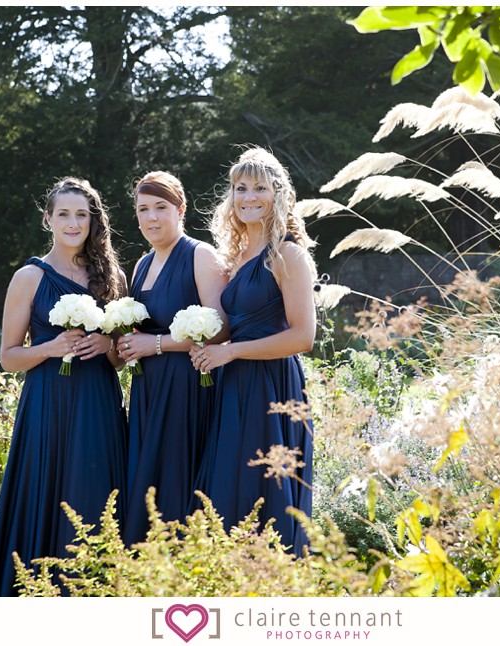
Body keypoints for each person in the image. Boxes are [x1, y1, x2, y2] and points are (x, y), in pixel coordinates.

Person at [0, 176, 128, 596]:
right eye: (64, 214)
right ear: (48, 219)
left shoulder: (110, 276)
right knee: (46, 493)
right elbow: (9, 357)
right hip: (48, 404)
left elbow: (119, 357)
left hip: (97, 401)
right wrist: (50, 348)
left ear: (93, 220)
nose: (73, 223)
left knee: (95, 493)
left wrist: (107, 345)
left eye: (82, 215)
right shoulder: (29, 276)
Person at [191, 147, 316, 555]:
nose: (248, 196)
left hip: (272, 387)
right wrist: (206, 344)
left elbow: (302, 338)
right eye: (240, 187)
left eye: (259, 187)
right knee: (230, 486)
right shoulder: (237, 257)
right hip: (234, 383)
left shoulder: (288, 254)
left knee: (265, 488)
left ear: (278, 194)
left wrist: (230, 351)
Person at [116, 170, 228, 547]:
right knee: (146, 480)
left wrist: (157, 345)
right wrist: (127, 344)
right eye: (143, 209)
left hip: (188, 387)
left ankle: (184, 562)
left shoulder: (200, 255)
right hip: (147, 389)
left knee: (177, 479)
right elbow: (141, 331)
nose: (151, 217)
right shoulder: (141, 266)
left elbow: (220, 330)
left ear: (181, 209)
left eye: (160, 207)